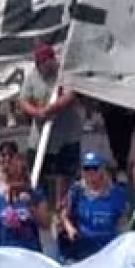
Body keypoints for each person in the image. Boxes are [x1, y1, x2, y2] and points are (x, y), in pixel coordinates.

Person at [17, 43, 83, 197]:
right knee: (37, 175)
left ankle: (64, 207)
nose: (42, 67)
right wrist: (36, 112)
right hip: (39, 138)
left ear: (52, 60)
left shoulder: (65, 74)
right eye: (39, 63)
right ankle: (40, 204)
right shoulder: (32, 77)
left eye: (45, 62)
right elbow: (23, 100)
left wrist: (48, 110)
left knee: (66, 177)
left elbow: (70, 95)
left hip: (67, 137)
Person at [59, 152, 132, 264]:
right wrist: (70, 229)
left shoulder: (116, 193)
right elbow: (64, 215)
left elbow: (123, 222)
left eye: (94, 168)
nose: (90, 172)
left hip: (108, 249)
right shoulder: (76, 191)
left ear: (102, 170)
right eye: (86, 168)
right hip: (83, 249)